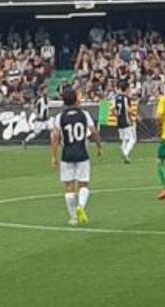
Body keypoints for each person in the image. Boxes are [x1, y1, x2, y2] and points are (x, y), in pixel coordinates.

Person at [50, 86, 102, 226]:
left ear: (63, 101)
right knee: (83, 184)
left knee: (68, 187)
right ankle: (81, 206)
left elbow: (55, 138)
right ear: (76, 100)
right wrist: (99, 146)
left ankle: (73, 217)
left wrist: (54, 157)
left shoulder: (59, 117)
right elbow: (93, 132)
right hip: (82, 153)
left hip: (67, 155)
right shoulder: (84, 114)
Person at [114, 81, 137, 164]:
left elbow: (115, 110)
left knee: (125, 139)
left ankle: (124, 154)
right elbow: (128, 109)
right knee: (132, 139)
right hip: (126, 120)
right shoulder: (126, 98)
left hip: (119, 121)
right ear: (127, 89)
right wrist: (136, 116)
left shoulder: (117, 98)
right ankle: (125, 154)